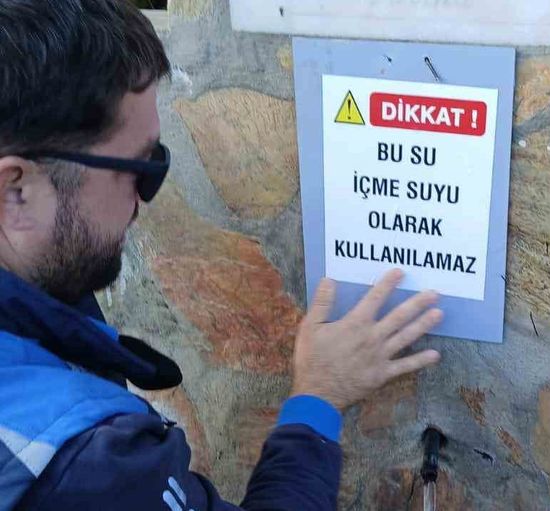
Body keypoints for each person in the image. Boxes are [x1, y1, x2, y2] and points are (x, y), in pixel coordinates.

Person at [0, 1, 443, 509]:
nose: (147, 198)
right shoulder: (85, 470)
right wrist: (319, 396)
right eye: (138, 168)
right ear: (16, 191)